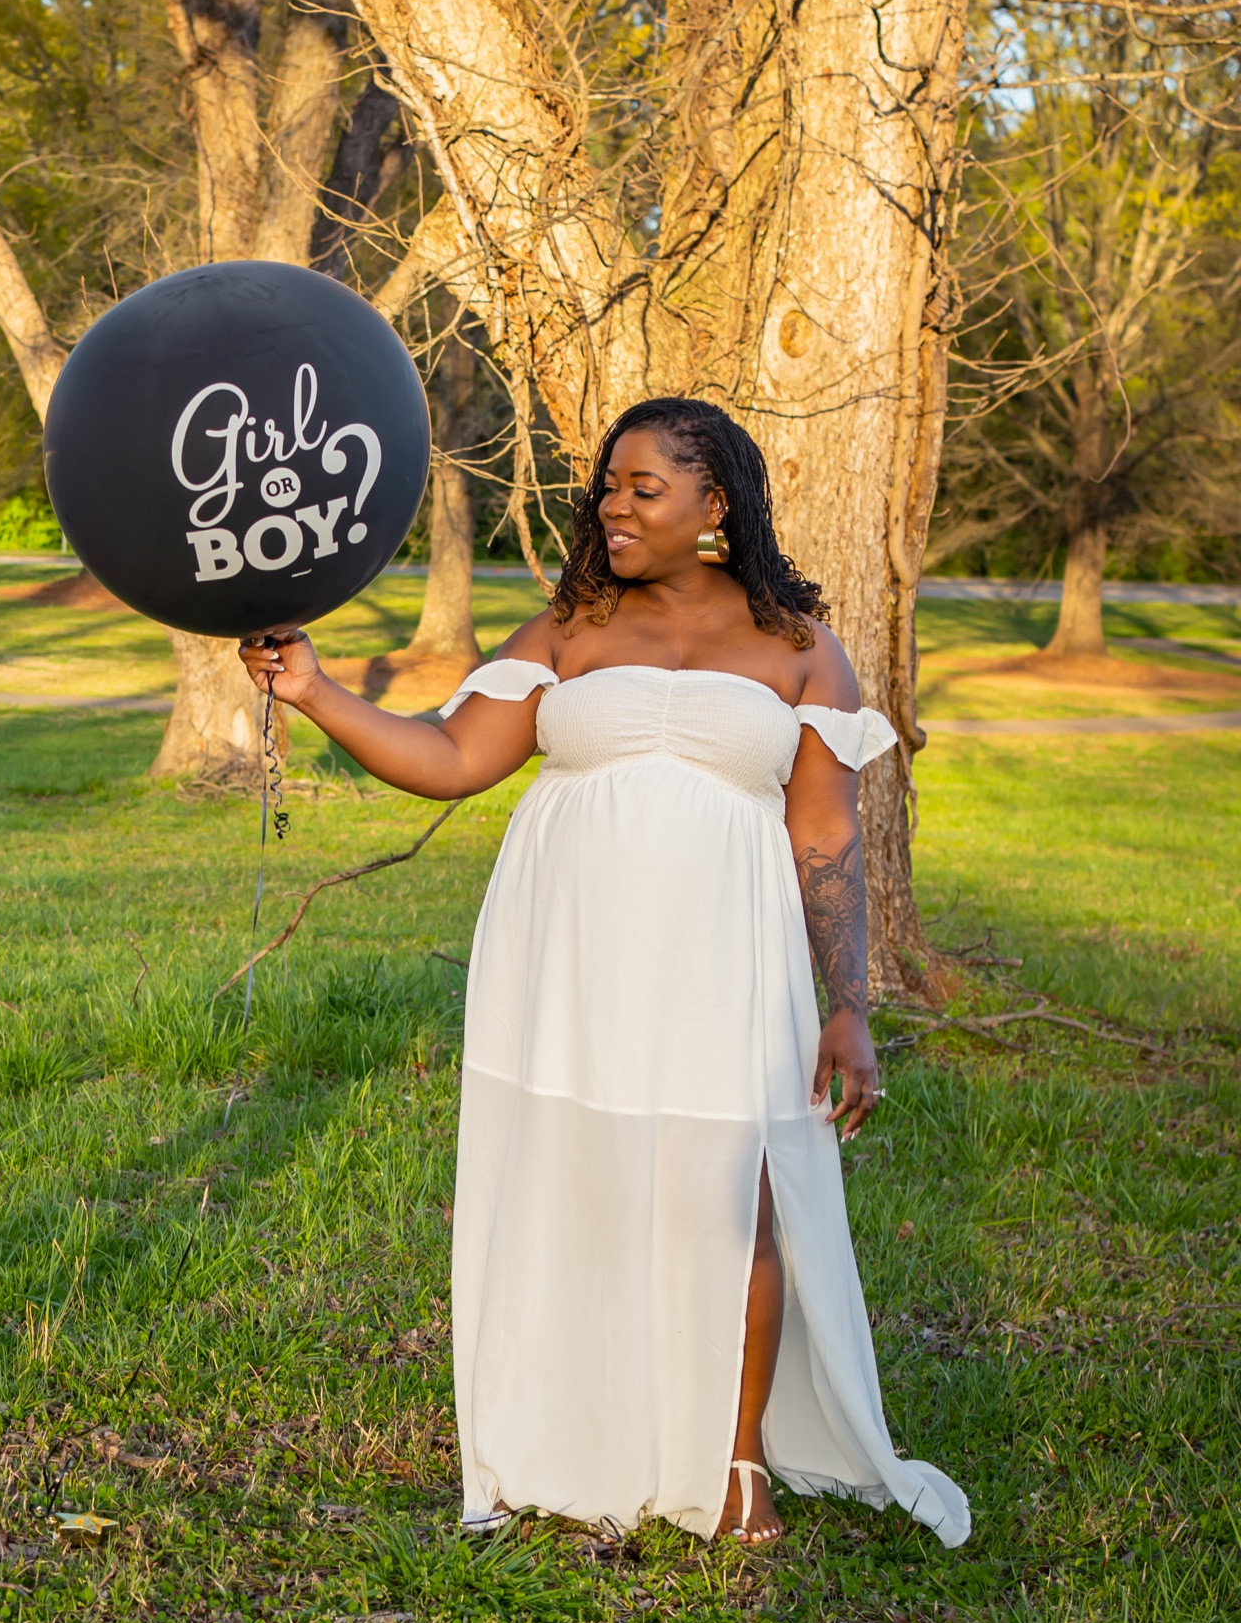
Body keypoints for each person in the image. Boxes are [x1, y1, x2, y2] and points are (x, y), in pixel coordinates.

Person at [242, 398, 969, 1549]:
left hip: (728, 959)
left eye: (642, 487)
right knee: (573, 1182)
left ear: (712, 505)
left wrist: (846, 1007)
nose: (611, 507)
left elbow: (825, 839)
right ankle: (573, 1438)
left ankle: (733, 1465)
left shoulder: (796, 648)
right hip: (568, 959)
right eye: (605, 486)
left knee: (737, 1199)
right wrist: (317, 693)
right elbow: (447, 759)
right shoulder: (566, 629)